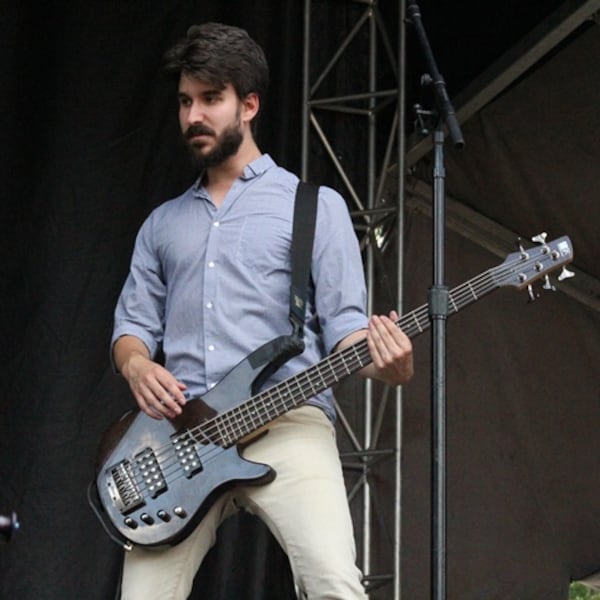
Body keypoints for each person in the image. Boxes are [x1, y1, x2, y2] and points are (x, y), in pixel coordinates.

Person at [111, 22, 414, 600]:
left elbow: (350, 331)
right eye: (184, 101)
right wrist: (136, 367)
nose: (192, 115)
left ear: (248, 104)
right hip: (182, 439)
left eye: (210, 99)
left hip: (289, 421)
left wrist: (388, 364)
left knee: (334, 583)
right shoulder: (162, 224)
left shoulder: (315, 208)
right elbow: (132, 330)